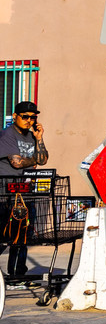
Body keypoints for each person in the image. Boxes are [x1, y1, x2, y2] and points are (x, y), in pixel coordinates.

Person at [1, 101, 48, 283]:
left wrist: (39, 138)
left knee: (22, 237)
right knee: (6, 236)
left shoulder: (31, 136)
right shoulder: (7, 135)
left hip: (25, 193)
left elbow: (43, 159)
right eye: (25, 116)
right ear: (15, 117)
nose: (29, 120)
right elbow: (16, 163)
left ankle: (17, 275)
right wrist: (35, 159)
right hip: (6, 194)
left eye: (33, 117)